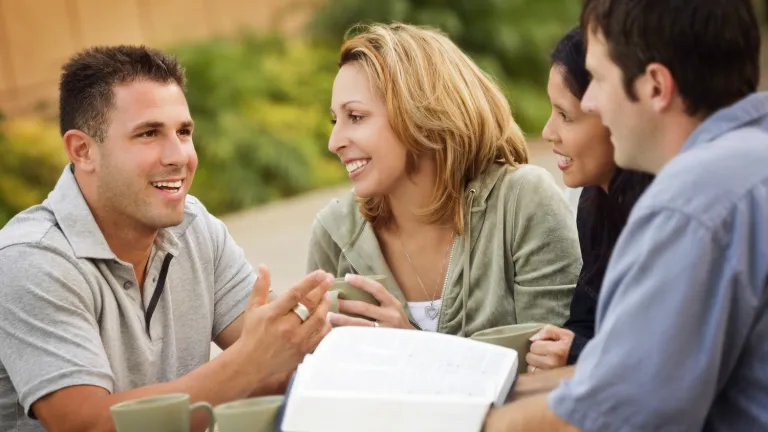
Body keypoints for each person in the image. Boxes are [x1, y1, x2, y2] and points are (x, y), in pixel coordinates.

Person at [0, 45, 335, 432]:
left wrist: (308, 337)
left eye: (184, 132)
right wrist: (249, 362)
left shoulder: (194, 226)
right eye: (148, 133)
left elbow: (275, 370)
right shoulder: (30, 259)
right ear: (82, 150)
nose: (179, 156)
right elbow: (85, 425)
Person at [483, 0, 768, 430]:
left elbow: (616, 412)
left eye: (597, 78)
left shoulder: (691, 202)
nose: (592, 101)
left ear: (655, 86)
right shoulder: (749, 160)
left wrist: (468, 420)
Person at [306, 22, 582, 337]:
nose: (334, 141)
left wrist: (412, 345)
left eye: (355, 117)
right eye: (334, 120)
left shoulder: (523, 202)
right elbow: (324, 375)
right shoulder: (334, 234)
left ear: (421, 113)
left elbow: (557, 369)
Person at [527, 27, 654, 372]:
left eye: (565, 115)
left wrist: (578, 353)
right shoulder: (595, 201)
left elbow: (659, 364)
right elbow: (585, 320)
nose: (547, 132)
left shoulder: (665, 216)